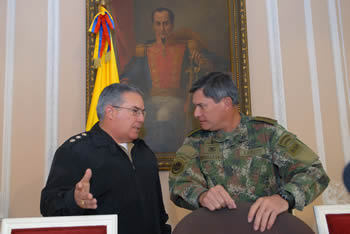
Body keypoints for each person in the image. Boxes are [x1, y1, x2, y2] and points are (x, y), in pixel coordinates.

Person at [169, 72, 329, 232]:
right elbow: (179, 184)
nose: (196, 113)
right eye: (195, 107)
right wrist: (201, 195)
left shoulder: (267, 134)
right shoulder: (195, 142)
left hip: (268, 229)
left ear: (226, 103)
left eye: (202, 106)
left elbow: (314, 172)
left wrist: (284, 198)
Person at [41, 83, 171, 234]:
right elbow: (48, 206)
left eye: (143, 112)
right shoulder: (76, 150)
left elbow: (158, 213)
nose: (141, 118)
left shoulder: (144, 153)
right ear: (110, 112)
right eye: (135, 111)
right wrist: (74, 200)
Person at [121, 7, 226, 153]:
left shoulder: (187, 47)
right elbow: (130, 73)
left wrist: (205, 63)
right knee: (146, 115)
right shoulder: (144, 50)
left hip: (177, 103)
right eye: (158, 24)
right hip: (150, 102)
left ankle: (162, 153)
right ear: (153, 26)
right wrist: (125, 82)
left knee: (165, 113)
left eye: (166, 23)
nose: (162, 28)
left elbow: (217, 62)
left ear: (172, 24)